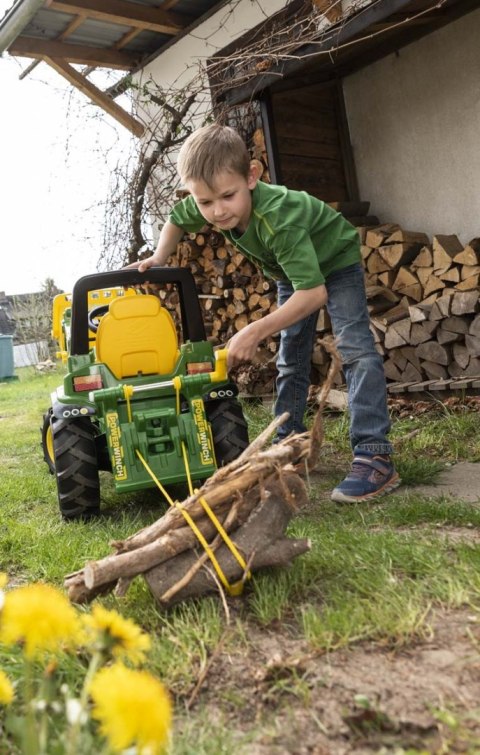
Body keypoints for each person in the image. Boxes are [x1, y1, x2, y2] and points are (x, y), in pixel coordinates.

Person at [128, 124, 400, 503]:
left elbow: (314, 293)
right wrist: (160, 255)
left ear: (252, 176)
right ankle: (288, 447)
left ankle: (375, 456)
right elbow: (177, 218)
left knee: (355, 349)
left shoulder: (278, 218)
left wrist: (254, 330)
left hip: (334, 262)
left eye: (228, 196)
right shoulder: (205, 201)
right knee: (291, 358)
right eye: (206, 202)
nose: (218, 211)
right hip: (290, 271)